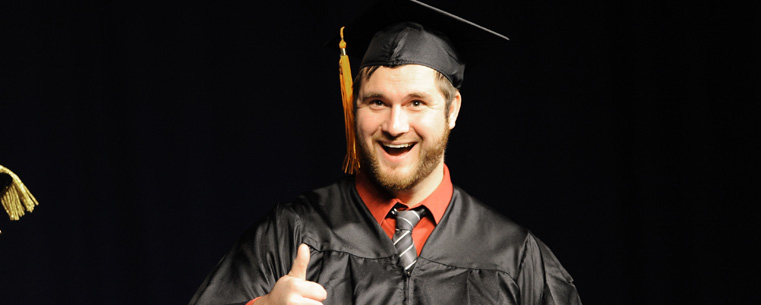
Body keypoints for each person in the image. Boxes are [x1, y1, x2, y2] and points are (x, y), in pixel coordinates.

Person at [190, 1, 581, 304]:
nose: (394, 126)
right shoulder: (292, 234)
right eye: (377, 102)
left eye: (416, 103)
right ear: (353, 105)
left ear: (452, 110)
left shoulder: (513, 257)